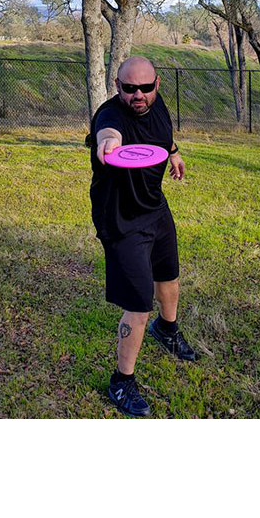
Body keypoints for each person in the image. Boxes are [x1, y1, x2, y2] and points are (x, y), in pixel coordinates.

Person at [88, 56, 198, 418]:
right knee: (137, 304)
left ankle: (166, 330)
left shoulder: (156, 101)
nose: (138, 95)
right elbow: (108, 134)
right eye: (129, 88)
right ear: (117, 86)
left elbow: (163, 130)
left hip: (154, 206)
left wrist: (174, 152)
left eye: (146, 87)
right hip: (121, 218)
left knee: (169, 276)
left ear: (157, 84)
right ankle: (122, 381)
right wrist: (107, 145)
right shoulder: (111, 115)